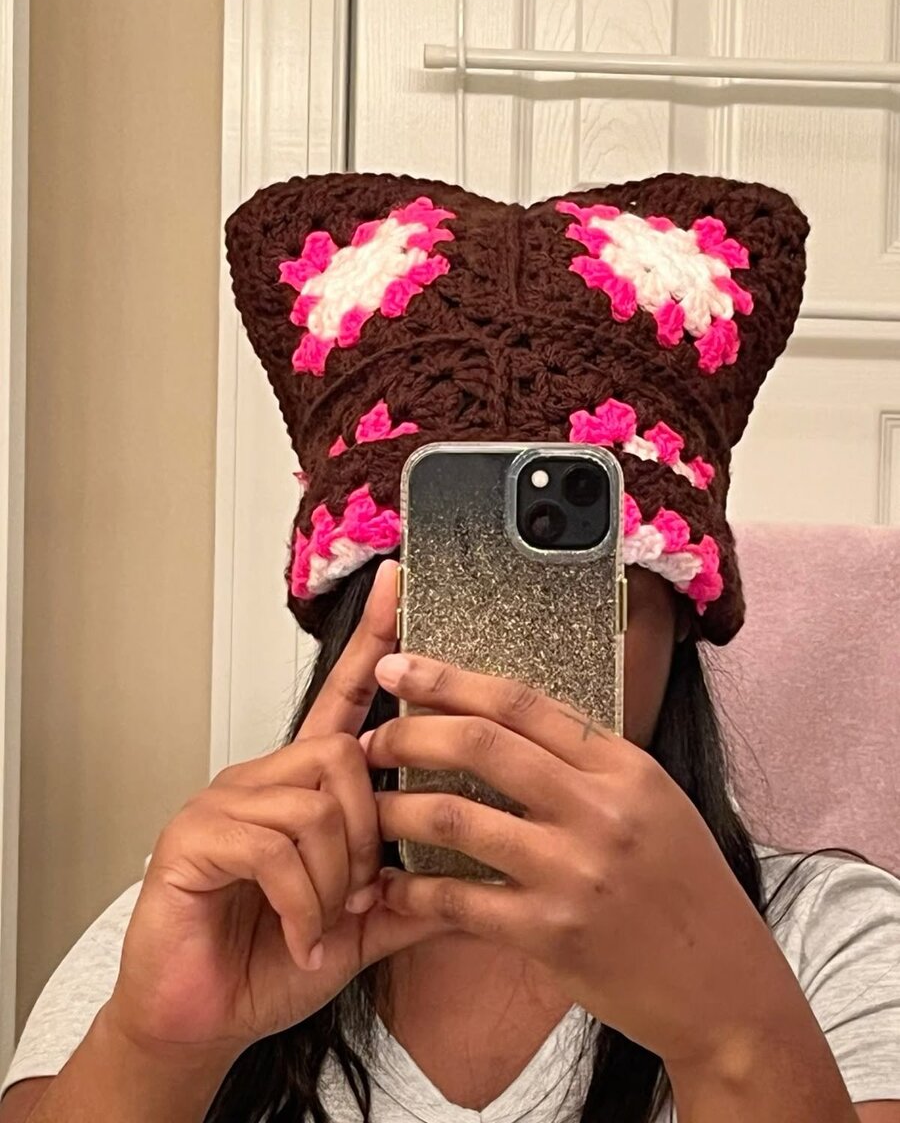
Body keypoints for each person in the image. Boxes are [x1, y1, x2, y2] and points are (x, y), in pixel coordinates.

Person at [2, 172, 898, 1123]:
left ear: (680, 613)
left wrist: (732, 1035)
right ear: (360, 611)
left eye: (572, 582)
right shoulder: (212, 919)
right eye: (454, 579)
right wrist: (157, 1052)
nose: (503, 660)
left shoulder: (829, 942)